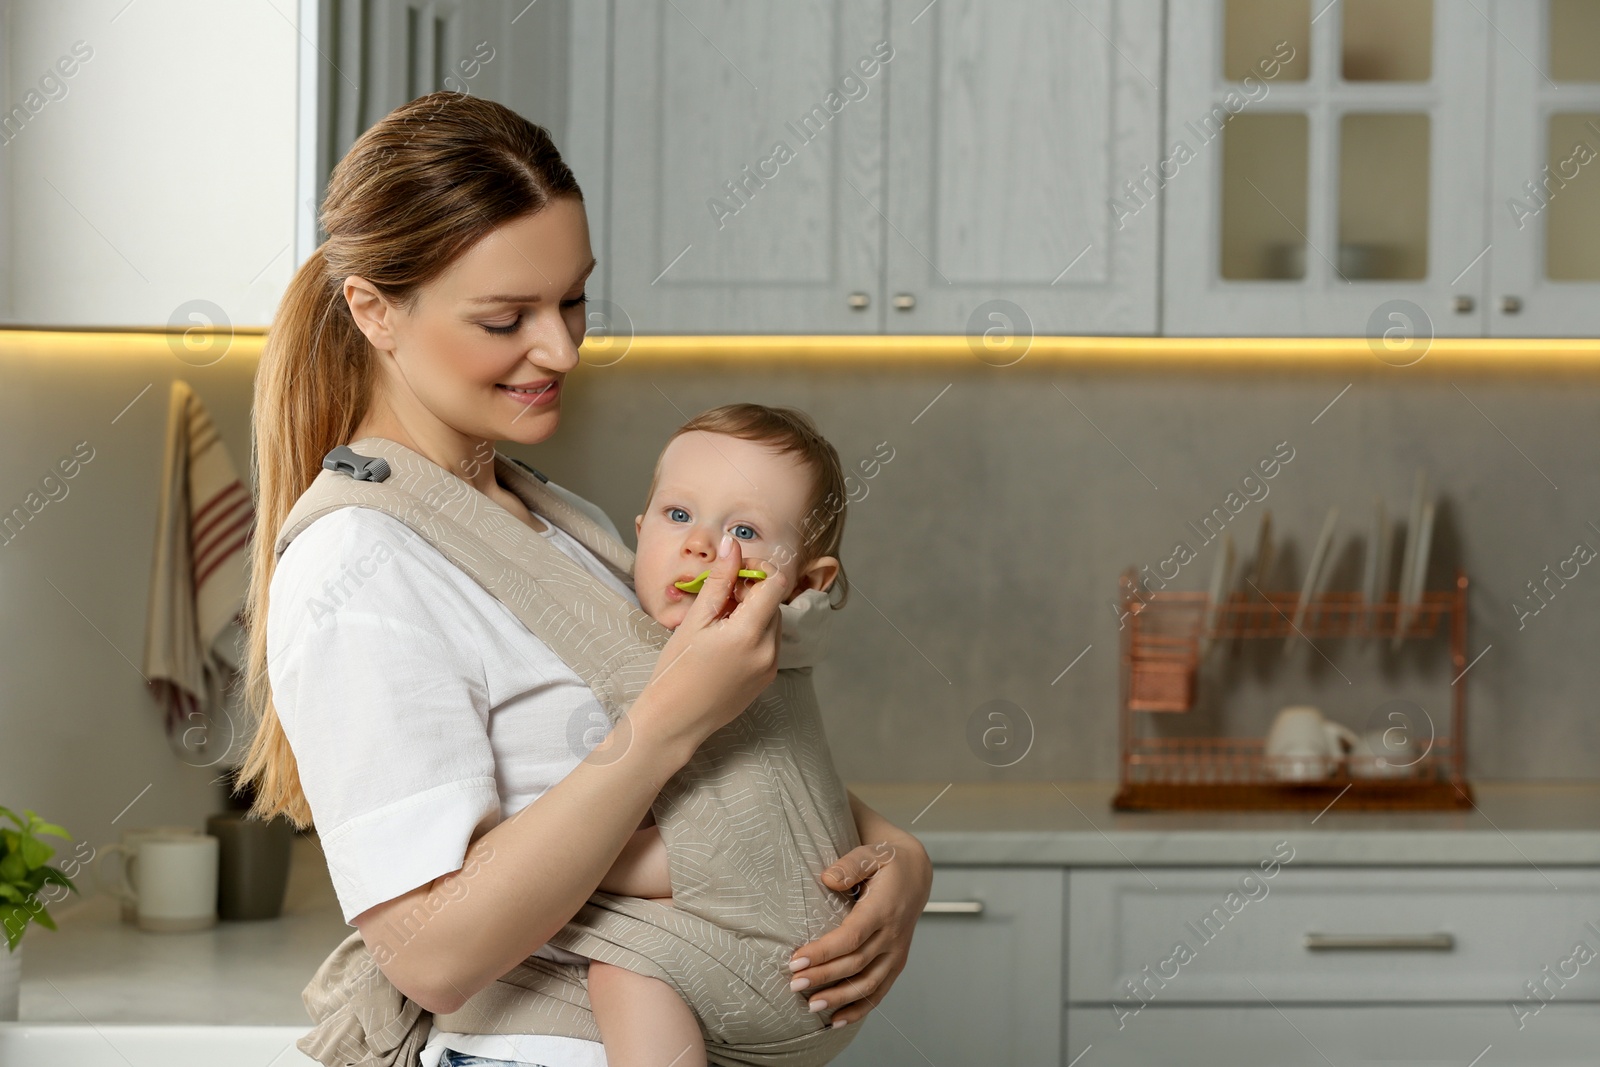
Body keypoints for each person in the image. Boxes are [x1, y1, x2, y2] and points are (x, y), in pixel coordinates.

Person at [239, 89, 931, 1067]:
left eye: (572, 299)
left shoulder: (562, 521)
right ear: (373, 310)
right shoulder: (359, 567)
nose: (562, 348)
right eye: (504, 317)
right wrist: (667, 721)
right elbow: (431, 954)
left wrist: (893, 852)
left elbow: (705, 780)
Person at [589, 403, 850, 1067]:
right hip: (778, 953)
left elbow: (724, 847)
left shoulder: (756, 649)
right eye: (678, 515)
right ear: (640, 533)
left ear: (807, 584)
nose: (702, 546)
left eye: (745, 529)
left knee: (619, 963)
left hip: (788, 959)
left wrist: (570, 866)